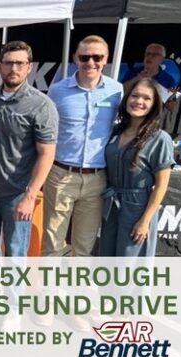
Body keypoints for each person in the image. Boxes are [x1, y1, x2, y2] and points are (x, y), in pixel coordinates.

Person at [42, 35, 123, 258]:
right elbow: (46, 130)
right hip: (60, 175)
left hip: (97, 179)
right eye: (84, 57)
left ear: (105, 59)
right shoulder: (57, 91)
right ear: (75, 59)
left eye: (97, 57)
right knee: (52, 243)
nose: (90, 63)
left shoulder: (116, 91)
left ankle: (78, 291)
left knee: (84, 247)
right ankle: (49, 291)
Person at [0, 41, 57, 257]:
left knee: (15, 254)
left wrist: (30, 196)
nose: (14, 69)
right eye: (9, 63)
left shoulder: (41, 104)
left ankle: (13, 293)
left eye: (20, 64)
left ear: (29, 67)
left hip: (17, 194)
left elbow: (47, 154)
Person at [100, 78, 174, 256]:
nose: (139, 102)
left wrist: (145, 221)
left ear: (154, 104)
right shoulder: (115, 133)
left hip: (138, 208)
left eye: (146, 98)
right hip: (112, 207)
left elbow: (162, 185)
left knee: (130, 264)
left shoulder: (160, 138)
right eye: (134, 96)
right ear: (126, 99)